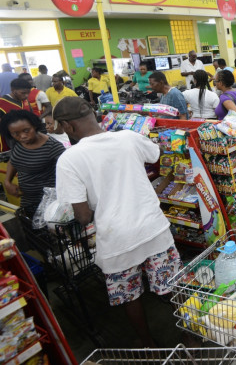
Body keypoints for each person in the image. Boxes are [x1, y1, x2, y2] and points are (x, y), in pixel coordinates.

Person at [53, 96, 181, 348]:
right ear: (94, 114)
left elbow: (83, 216)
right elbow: (155, 153)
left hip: (116, 240)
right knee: (172, 285)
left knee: (129, 295)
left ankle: (148, 344)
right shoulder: (128, 137)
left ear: (67, 126)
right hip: (153, 228)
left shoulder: (69, 159)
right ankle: (188, 334)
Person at [1, 110, 65, 214]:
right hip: (27, 200)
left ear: (35, 126)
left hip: (49, 203)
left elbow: (68, 173)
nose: (22, 136)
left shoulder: (53, 147)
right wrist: (7, 182)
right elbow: (13, 161)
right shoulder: (17, 143)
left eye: (26, 130)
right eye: (15, 133)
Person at [0, 79, 35, 152]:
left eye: (28, 93)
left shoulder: (25, 101)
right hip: (9, 142)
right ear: (13, 90)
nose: (26, 96)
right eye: (23, 93)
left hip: (28, 140)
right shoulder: (2, 104)